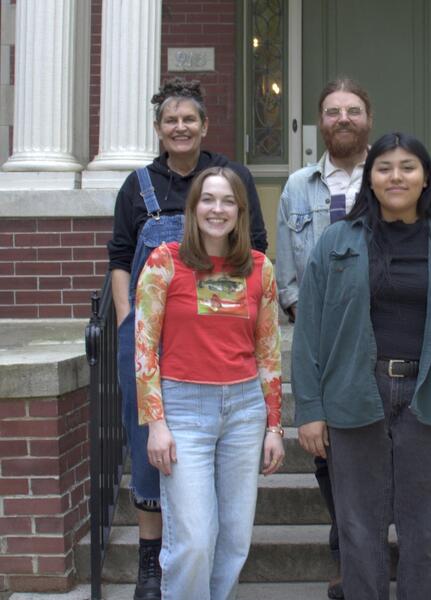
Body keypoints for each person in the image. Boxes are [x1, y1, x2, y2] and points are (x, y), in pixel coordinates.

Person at [292, 132, 431, 600]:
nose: (396, 176)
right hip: (355, 395)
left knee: (427, 528)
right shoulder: (336, 242)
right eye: (384, 167)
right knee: (358, 528)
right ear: (370, 178)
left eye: (408, 166)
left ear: (426, 178)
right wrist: (310, 408)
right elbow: (309, 334)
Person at [106, 77, 267, 600]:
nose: (180, 127)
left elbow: (256, 251)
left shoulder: (231, 176)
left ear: (203, 125)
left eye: (189, 119)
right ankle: (153, 558)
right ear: (158, 129)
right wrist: (130, 319)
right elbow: (118, 258)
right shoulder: (138, 186)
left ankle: (177, 561)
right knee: (148, 441)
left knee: (220, 518)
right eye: (171, 120)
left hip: (226, 359)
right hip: (155, 342)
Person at [135, 166, 284, 600]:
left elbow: (269, 352)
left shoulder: (260, 268)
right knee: (195, 539)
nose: (217, 209)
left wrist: (274, 426)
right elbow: (144, 347)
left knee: (234, 540)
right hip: (184, 409)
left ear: (241, 211)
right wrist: (156, 422)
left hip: (243, 410)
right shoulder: (165, 261)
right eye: (208, 200)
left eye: (228, 202)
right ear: (193, 207)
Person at [275, 77, 372, 600]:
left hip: (381, 334)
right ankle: (348, 550)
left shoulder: (390, 173)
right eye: (332, 111)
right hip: (323, 337)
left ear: (368, 119)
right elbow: (287, 267)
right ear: (321, 122)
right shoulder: (298, 186)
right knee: (327, 451)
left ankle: (371, 543)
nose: (342, 119)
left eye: (352, 110)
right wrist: (302, 315)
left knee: (380, 444)